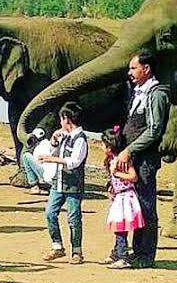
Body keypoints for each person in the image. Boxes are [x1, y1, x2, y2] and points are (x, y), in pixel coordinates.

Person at [116, 49, 170, 269]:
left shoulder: (156, 94)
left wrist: (129, 150)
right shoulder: (138, 92)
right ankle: (126, 251)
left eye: (133, 68)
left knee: (145, 206)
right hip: (132, 157)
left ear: (146, 69)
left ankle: (144, 255)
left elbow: (154, 129)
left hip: (145, 159)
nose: (130, 72)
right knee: (131, 204)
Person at [39, 102, 88, 265]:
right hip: (58, 182)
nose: (60, 123)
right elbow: (53, 152)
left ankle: (77, 251)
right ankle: (57, 246)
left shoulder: (81, 139)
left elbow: (74, 161)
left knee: (73, 217)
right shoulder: (63, 136)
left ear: (66, 119)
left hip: (73, 184)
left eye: (61, 119)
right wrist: (53, 141)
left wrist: (52, 159)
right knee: (50, 213)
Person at [99, 125, 144, 269]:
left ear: (109, 146)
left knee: (120, 228)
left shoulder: (121, 160)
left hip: (126, 198)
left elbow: (133, 177)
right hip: (119, 197)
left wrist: (116, 173)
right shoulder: (112, 159)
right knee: (119, 227)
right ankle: (117, 253)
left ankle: (123, 256)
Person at [22, 127, 57, 195]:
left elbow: (38, 163)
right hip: (56, 179)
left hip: (47, 177)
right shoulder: (49, 144)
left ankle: (34, 186)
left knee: (26, 156)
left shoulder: (38, 148)